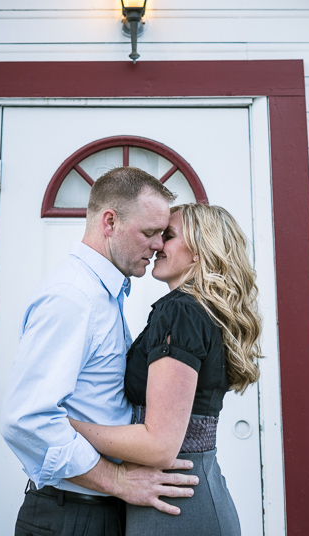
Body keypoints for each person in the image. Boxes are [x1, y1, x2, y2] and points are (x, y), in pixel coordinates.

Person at [1, 167, 200, 536]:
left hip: (97, 512)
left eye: (162, 234)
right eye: (149, 232)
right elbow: (26, 420)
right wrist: (118, 480)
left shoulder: (103, 295)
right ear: (109, 221)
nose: (158, 245)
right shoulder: (73, 297)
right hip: (72, 518)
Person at [70, 203, 263, 536]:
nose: (157, 245)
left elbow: (158, 446)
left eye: (168, 236)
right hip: (187, 493)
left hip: (177, 504)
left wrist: (67, 425)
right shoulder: (198, 312)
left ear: (202, 252)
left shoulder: (181, 312)